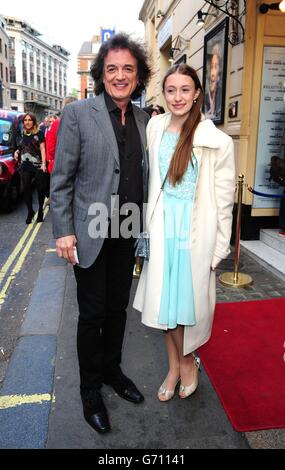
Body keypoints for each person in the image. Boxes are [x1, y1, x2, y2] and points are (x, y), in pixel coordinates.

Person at [51, 33, 151, 434]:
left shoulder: (145, 119)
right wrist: (63, 232)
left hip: (127, 227)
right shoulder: (78, 114)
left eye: (128, 68)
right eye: (112, 69)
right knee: (91, 315)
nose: (120, 75)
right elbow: (61, 180)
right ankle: (90, 390)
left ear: (138, 74)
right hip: (90, 229)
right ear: (101, 74)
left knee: (117, 310)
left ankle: (113, 371)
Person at [133, 64, 235, 402]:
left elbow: (224, 201)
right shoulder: (155, 126)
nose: (178, 97)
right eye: (171, 90)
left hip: (194, 233)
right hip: (162, 229)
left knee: (183, 308)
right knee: (165, 306)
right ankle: (175, 366)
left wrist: (219, 249)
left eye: (185, 90)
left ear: (197, 94)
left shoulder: (216, 141)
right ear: (164, 94)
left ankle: (187, 362)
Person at [14, 112, 47, 223]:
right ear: (23, 122)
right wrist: (17, 151)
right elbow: (21, 146)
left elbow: (42, 149)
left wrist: (43, 164)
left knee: (40, 189)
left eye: (30, 120)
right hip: (25, 164)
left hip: (37, 165)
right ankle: (30, 211)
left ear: (33, 121)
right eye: (25, 120)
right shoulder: (22, 133)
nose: (27, 122)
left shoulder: (39, 133)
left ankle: (40, 211)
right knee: (25, 188)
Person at [204, 43, 222, 120]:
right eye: (211, 67)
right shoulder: (206, 94)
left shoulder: (221, 91)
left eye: (216, 67)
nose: (212, 73)